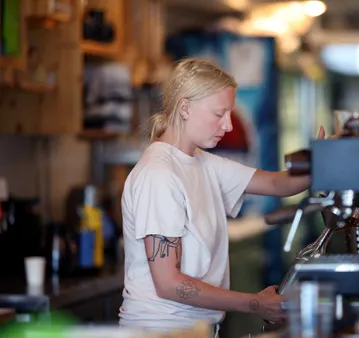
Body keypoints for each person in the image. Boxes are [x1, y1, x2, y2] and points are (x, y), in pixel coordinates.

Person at [118, 58, 326, 334]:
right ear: (185, 107)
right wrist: (255, 303)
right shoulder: (159, 175)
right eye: (219, 114)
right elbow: (169, 283)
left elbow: (278, 183)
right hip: (160, 330)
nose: (228, 126)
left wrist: (326, 159)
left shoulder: (202, 163)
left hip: (193, 329)